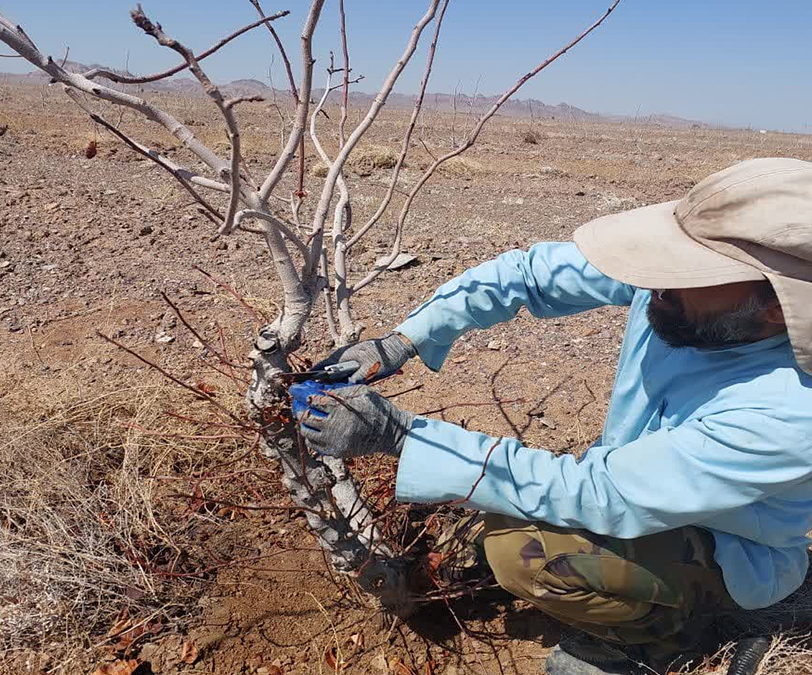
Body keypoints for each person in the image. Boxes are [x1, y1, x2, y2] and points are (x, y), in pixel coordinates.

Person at [294, 158, 812, 675]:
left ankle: (658, 638)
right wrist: (403, 340)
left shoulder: (789, 412)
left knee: (526, 552)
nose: (660, 279)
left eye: (692, 272)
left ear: (774, 306)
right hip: (635, 486)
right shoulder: (678, 292)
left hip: (729, 549)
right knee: (487, 499)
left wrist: (401, 436)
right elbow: (529, 276)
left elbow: (601, 494)